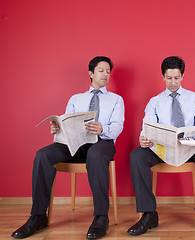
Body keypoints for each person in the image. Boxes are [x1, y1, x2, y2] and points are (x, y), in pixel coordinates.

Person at [11, 56, 125, 239]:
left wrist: (103, 129)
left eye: (108, 71)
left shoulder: (116, 100)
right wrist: (58, 127)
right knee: (43, 154)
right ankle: (38, 215)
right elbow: (67, 122)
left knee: (95, 155)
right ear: (91, 73)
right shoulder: (76, 99)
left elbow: (118, 126)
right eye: (101, 70)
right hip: (75, 144)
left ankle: (101, 217)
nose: (105, 74)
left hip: (102, 143)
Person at [127, 56, 195, 236]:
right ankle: (148, 214)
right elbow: (147, 128)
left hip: (191, 149)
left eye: (176, 78)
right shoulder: (155, 102)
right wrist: (144, 139)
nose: (173, 82)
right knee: (137, 155)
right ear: (163, 77)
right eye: (169, 78)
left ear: (182, 76)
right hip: (163, 150)